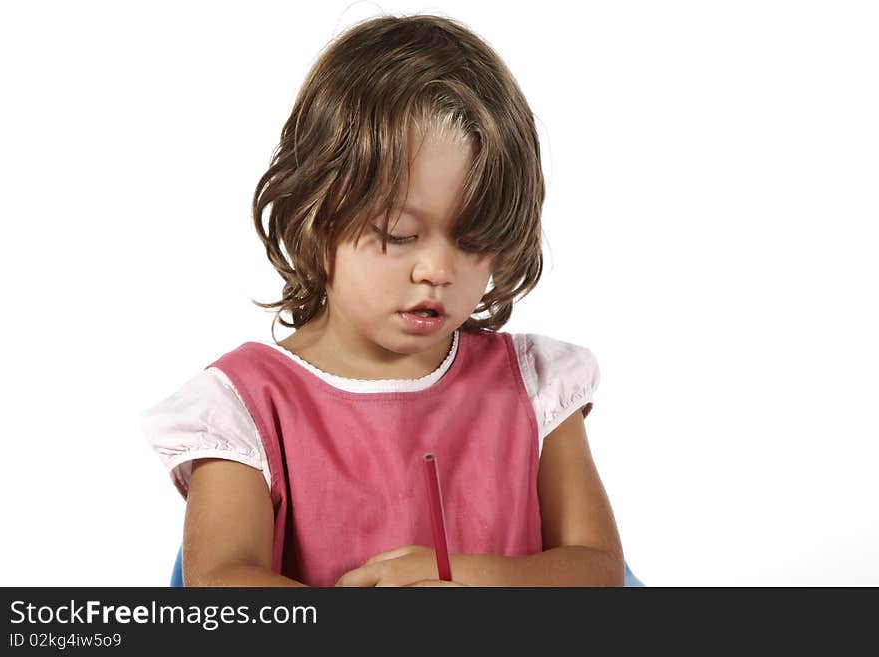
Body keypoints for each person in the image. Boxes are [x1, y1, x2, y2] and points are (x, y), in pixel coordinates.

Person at [141, 13, 625, 587]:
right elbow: (219, 587)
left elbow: (599, 572)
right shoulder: (246, 407)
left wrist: (470, 582)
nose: (438, 270)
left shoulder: (534, 387)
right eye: (398, 234)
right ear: (314, 220)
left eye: (473, 240)